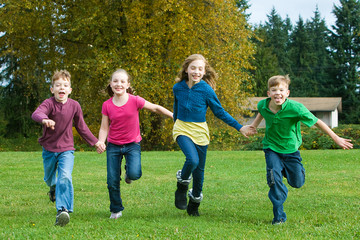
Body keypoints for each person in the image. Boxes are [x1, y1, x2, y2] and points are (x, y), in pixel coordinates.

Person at [248, 75, 353, 225]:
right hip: (271, 148)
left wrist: (335, 138)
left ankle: (288, 170)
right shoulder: (263, 105)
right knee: (273, 179)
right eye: (274, 90)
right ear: (268, 93)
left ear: (287, 93)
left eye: (281, 90)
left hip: (290, 150)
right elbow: (262, 113)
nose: (278, 93)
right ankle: (279, 217)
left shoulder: (296, 108)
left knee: (297, 182)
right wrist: (253, 126)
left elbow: (317, 122)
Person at [172, 54, 256, 216]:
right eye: (193, 68)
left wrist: (240, 127)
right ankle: (182, 186)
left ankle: (194, 202)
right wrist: (175, 123)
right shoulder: (178, 88)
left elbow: (219, 112)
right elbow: (176, 108)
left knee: (199, 171)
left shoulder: (206, 90)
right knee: (192, 160)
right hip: (182, 128)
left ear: (204, 72)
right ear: (186, 69)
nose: (196, 71)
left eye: (200, 69)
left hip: (200, 131)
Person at [97, 69, 173, 219]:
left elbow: (155, 108)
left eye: (122, 81)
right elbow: (104, 127)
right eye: (115, 81)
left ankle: (128, 172)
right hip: (113, 146)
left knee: (134, 173)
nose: (119, 84)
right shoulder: (106, 105)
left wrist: (172, 115)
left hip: (132, 144)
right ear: (111, 84)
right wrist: (101, 141)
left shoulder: (135, 100)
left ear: (128, 84)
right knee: (112, 180)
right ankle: (116, 209)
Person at [31, 70, 104, 227]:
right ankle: (53, 188)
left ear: (70, 90)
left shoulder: (74, 106)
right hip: (49, 149)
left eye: (65, 85)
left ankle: (62, 210)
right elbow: (37, 113)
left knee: (65, 176)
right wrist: (45, 119)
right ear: (52, 89)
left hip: (66, 149)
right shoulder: (49, 103)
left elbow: (81, 127)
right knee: (49, 178)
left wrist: (96, 142)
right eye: (58, 85)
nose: (61, 88)